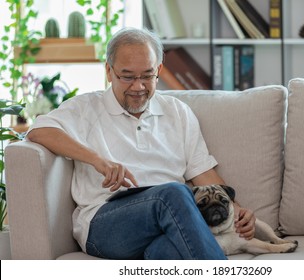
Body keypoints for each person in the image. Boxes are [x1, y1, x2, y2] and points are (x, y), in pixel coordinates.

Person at [26, 27, 255, 260]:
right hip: (106, 224)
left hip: (168, 223)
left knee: (166, 251)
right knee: (174, 193)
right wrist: (98, 160)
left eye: (147, 76)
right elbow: (38, 131)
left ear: (159, 70)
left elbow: (203, 173)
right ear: (109, 71)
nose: (138, 87)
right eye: (127, 76)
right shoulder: (86, 108)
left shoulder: (178, 112)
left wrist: (238, 211)